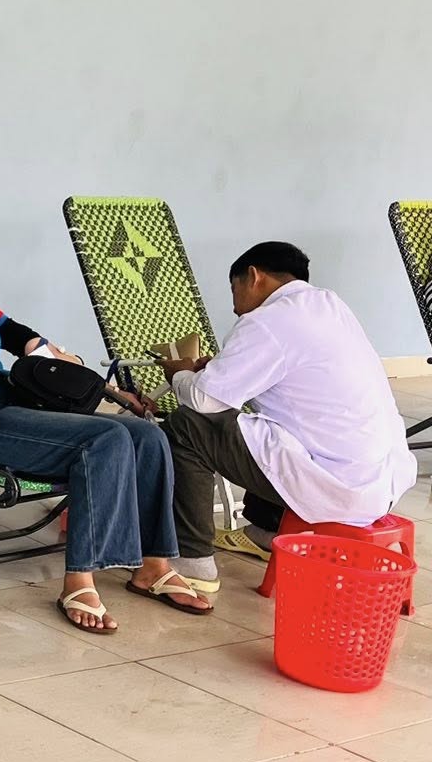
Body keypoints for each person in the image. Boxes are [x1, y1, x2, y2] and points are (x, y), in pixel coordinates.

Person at [0, 207, 211, 633]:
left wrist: (108, 390)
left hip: (14, 404)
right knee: (104, 439)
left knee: (145, 435)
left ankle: (152, 564)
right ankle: (79, 579)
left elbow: (32, 345)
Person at [161, 241, 416, 586]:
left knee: (187, 426)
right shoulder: (329, 305)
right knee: (265, 428)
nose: (234, 306)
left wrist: (179, 374)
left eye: (234, 289)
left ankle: (193, 561)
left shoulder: (266, 320)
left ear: (254, 276)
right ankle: (265, 532)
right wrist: (218, 371)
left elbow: (204, 401)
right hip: (384, 478)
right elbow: (290, 377)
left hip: (339, 486)